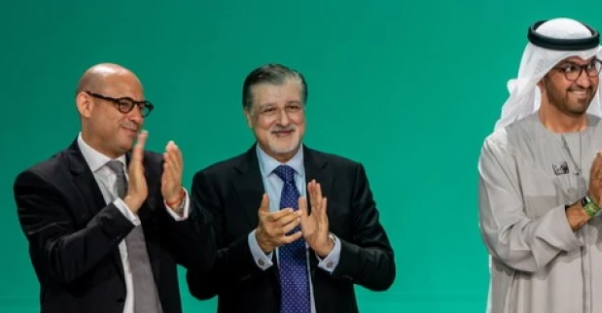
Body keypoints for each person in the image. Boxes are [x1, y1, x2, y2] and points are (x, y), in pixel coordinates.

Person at [477, 18, 602, 313]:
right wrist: (585, 207)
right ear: (540, 74)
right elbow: (507, 243)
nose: (585, 81)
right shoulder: (504, 149)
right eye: (570, 68)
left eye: (590, 67)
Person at [186, 64, 395, 313]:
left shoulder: (346, 175)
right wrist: (257, 245)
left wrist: (329, 248)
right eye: (269, 110)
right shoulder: (215, 183)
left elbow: (383, 271)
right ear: (248, 116)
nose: (284, 121)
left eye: (292, 107)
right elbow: (200, 283)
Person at [13, 63, 214, 313]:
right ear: (86, 104)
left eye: (141, 107)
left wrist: (177, 203)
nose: (137, 117)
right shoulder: (43, 181)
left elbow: (203, 260)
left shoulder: (156, 170)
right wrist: (127, 206)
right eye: (124, 104)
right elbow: (62, 264)